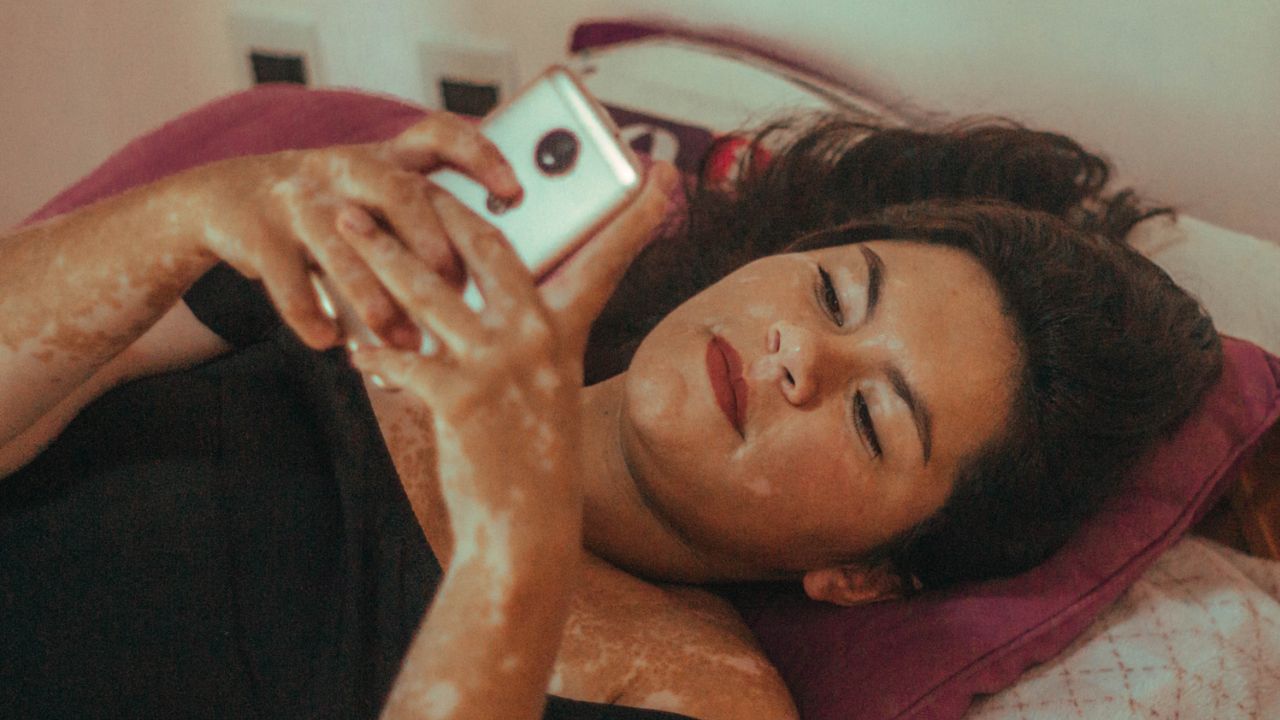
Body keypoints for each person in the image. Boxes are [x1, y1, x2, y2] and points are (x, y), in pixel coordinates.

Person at [0, 107, 1222, 720]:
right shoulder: (396, 289)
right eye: (834, 291)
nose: (803, 357)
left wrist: (510, 557)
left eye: (871, 421)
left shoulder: (697, 695)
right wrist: (184, 222)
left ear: (863, 577)